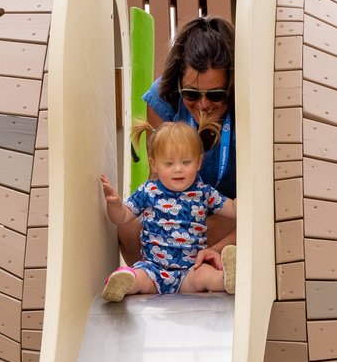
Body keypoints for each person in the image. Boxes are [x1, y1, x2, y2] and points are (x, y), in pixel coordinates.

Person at [99, 120, 236, 302]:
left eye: (186, 162)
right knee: (139, 278)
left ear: (198, 163)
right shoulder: (148, 191)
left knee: (206, 276)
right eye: (169, 163)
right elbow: (122, 217)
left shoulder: (204, 192)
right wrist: (115, 204)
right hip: (153, 269)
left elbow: (234, 210)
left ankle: (228, 279)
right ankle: (121, 282)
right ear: (154, 165)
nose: (178, 169)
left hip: (190, 270)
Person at [138, 16, 238, 200]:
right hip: (181, 207)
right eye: (191, 94)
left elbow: (258, 193)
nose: (203, 104)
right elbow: (158, 181)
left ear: (232, 86)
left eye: (216, 94)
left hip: (237, 208)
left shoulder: (249, 107)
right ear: (177, 83)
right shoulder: (162, 99)